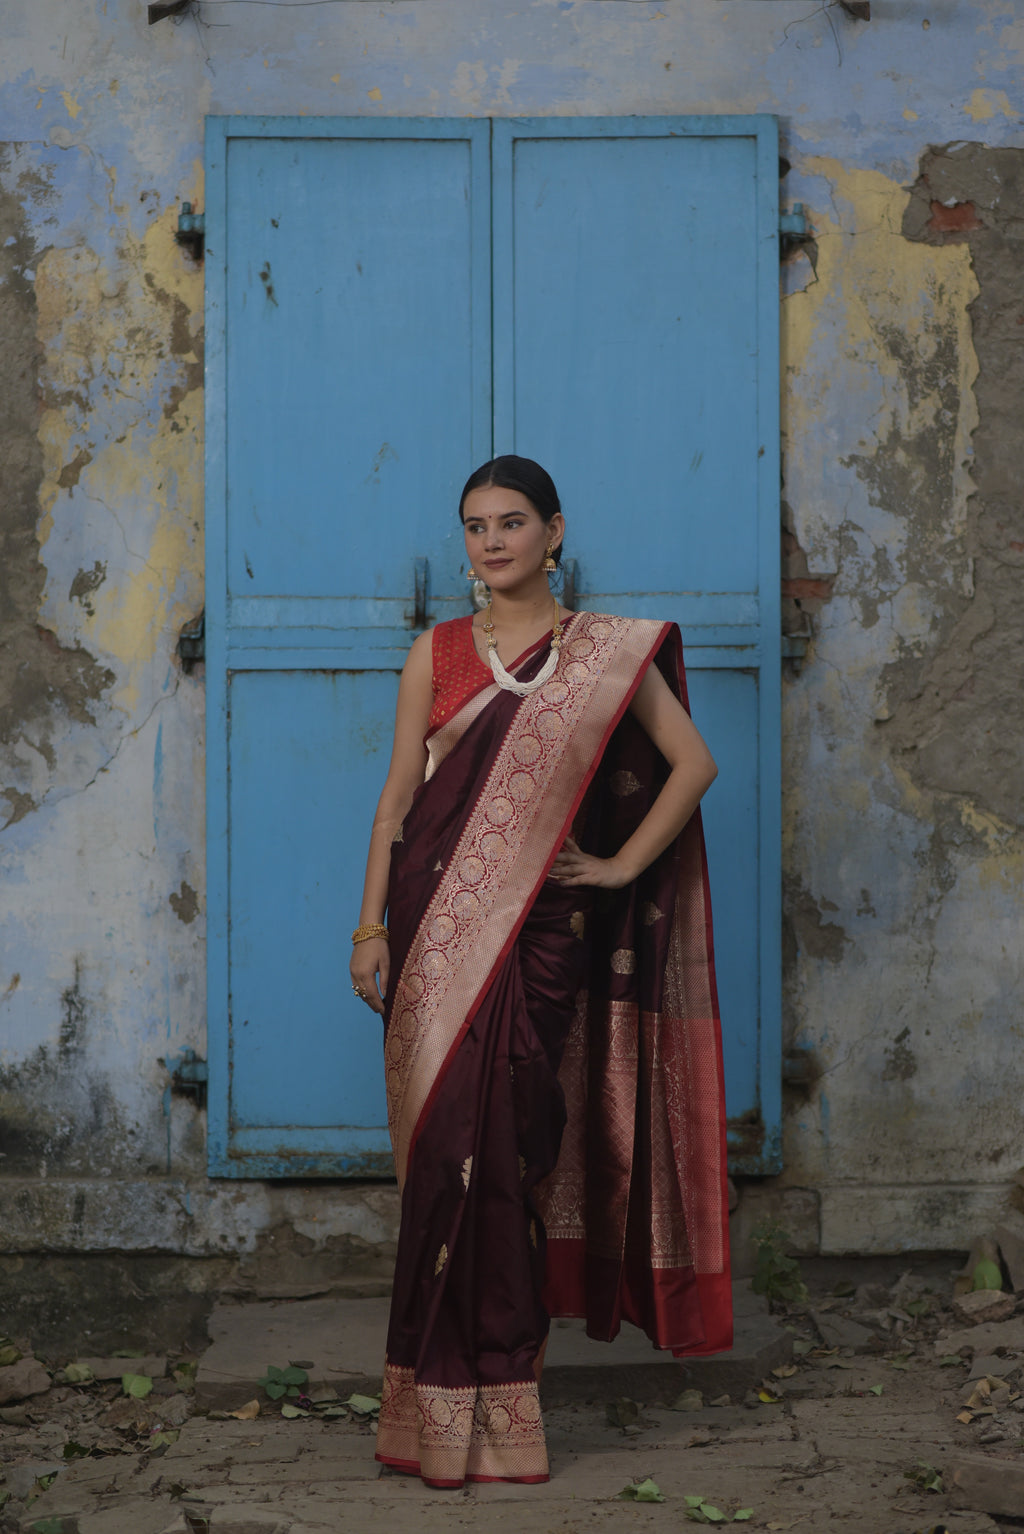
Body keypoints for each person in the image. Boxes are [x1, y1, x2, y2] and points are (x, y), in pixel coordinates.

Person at [349, 456, 731, 1488]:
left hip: (544, 932)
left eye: (511, 522)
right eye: (473, 525)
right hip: (433, 932)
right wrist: (368, 928)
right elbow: (396, 802)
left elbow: (691, 764)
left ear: (553, 531)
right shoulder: (434, 654)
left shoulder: (604, 654)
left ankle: (504, 1399)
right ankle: (430, 1407)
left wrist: (614, 865)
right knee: (440, 1161)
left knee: (508, 1151)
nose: (491, 541)